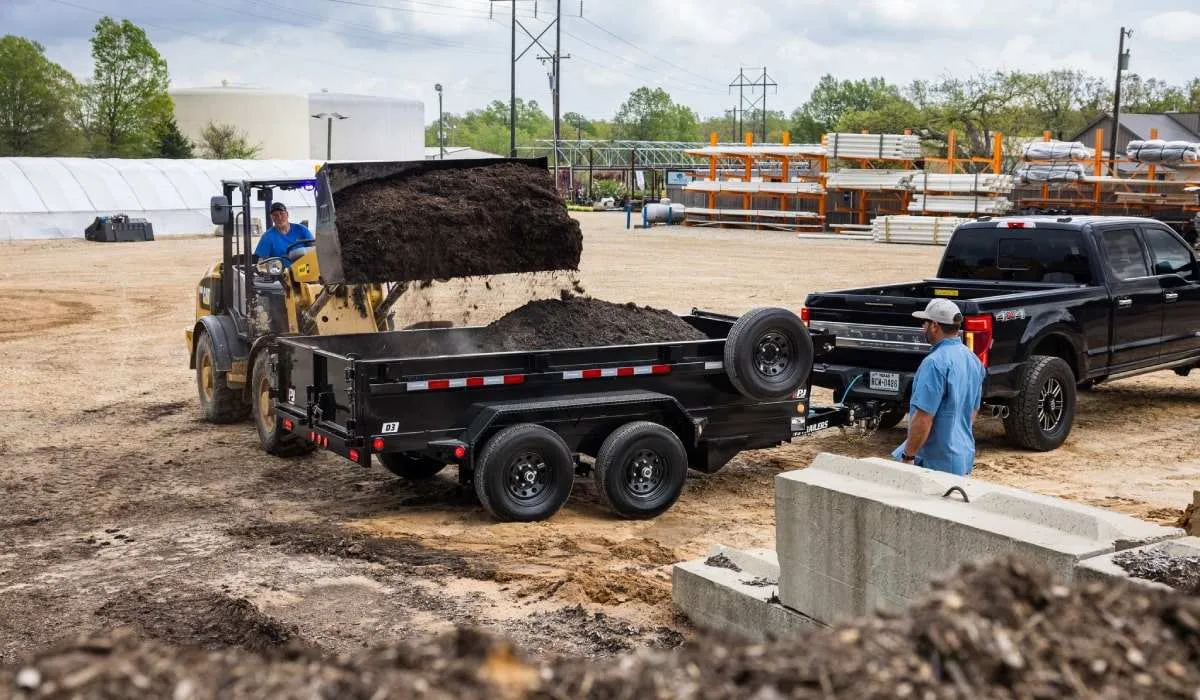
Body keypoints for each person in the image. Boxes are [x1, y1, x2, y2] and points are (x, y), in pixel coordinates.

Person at [890, 298, 986, 476]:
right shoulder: (973, 360)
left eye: (924, 323)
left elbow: (923, 417)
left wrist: (908, 456)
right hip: (962, 458)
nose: (922, 328)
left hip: (935, 463)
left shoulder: (934, 363)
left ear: (934, 325)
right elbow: (973, 410)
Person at [253, 201, 314, 267]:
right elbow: (261, 261)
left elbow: (314, 249)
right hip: (282, 271)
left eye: (281, 213)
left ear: (287, 214)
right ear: (272, 218)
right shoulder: (267, 237)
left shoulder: (302, 229)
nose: (279, 217)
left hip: (306, 269)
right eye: (275, 215)